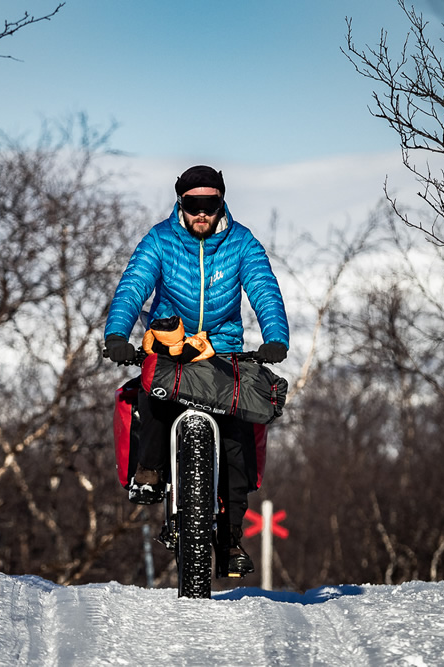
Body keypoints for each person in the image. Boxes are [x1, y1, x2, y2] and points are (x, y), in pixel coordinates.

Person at [103, 165, 289, 577]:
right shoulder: (160, 240)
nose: (201, 214)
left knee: (238, 435)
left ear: (221, 202)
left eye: (210, 204)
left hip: (222, 351)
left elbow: (263, 286)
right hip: (173, 344)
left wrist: (276, 336)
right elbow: (134, 284)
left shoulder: (241, 243)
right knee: (154, 391)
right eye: (193, 204)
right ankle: (150, 470)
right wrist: (117, 333)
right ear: (180, 203)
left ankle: (230, 538)